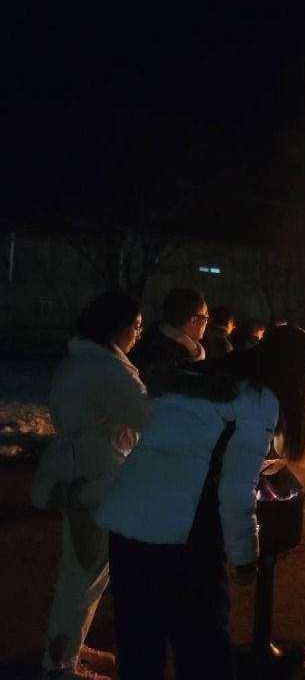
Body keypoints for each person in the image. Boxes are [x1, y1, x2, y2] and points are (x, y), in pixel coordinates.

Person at [96, 326, 305, 680]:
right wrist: (245, 558)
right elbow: (235, 488)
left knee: (140, 651)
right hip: (185, 535)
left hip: (127, 522)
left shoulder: (196, 378)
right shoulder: (257, 398)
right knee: (203, 651)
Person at [33, 290, 150, 680]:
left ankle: (69, 645)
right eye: (136, 326)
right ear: (116, 327)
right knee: (85, 574)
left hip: (84, 474)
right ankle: (61, 664)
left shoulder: (82, 360)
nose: (139, 334)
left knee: (83, 571)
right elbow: (146, 415)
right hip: (96, 479)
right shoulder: (106, 370)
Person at [129, 287, 208, 385]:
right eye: (205, 318)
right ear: (193, 320)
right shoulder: (164, 354)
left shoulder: (189, 349)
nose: (207, 323)